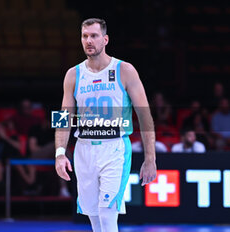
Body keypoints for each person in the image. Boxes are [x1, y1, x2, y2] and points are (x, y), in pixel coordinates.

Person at [55, 18, 156, 232]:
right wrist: (60, 154)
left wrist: (150, 159)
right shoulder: (73, 75)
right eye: (84, 36)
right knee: (94, 217)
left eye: (94, 36)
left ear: (105, 39)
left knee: (108, 214)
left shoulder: (124, 70)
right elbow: (63, 117)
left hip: (115, 148)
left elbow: (145, 117)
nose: (88, 41)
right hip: (84, 148)